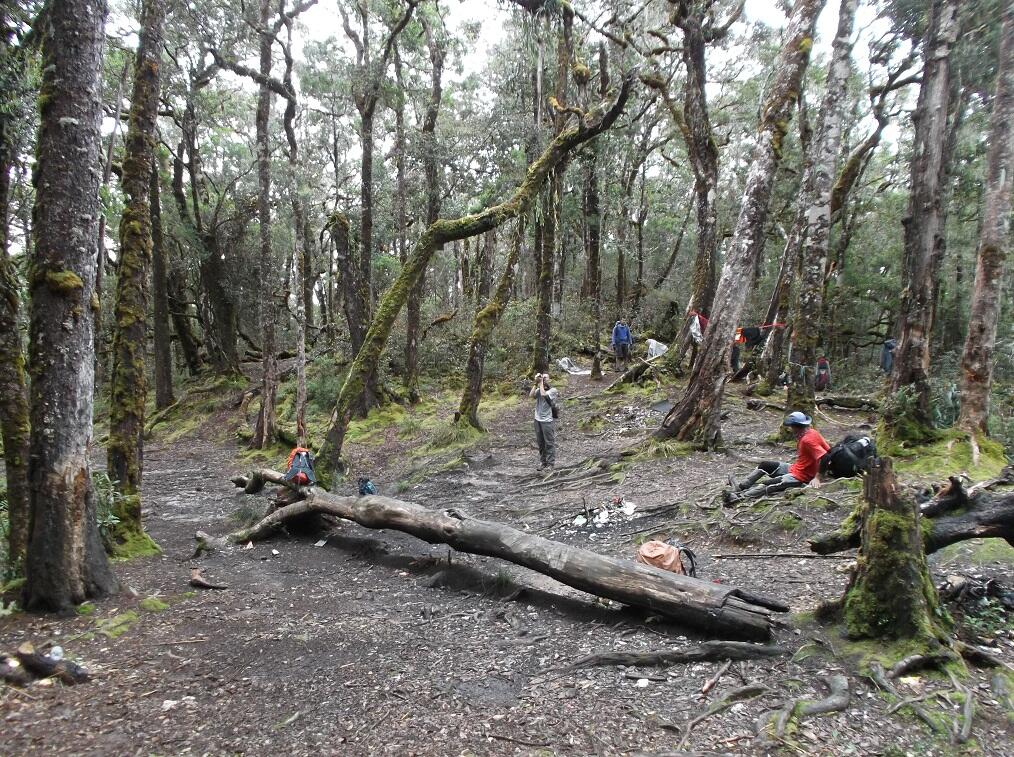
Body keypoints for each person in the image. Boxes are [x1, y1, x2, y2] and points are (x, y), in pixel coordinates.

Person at [723, 412, 830, 504]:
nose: (790, 429)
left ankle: (739, 498)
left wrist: (817, 477)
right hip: (796, 468)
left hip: (802, 476)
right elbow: (828, 449)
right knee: (765, 465)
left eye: (792, 426)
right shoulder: (811, 432)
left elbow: (825, 456)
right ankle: (740, 487)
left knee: (766, 484)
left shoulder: (807, 440)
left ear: (797, 426)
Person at [529, 372, 559, 470]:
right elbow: (531, 395)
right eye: (543, 378)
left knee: (549, 442)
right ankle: (543, 462)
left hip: (547, 420)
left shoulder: (553, 391)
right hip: (537, 419)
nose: (544, 379)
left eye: (546, 378)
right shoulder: (539, 388)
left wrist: (540, 382)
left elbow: (544, 394)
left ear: (549, 380)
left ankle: (551, 464)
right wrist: (535, 383)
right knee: (541, 443)